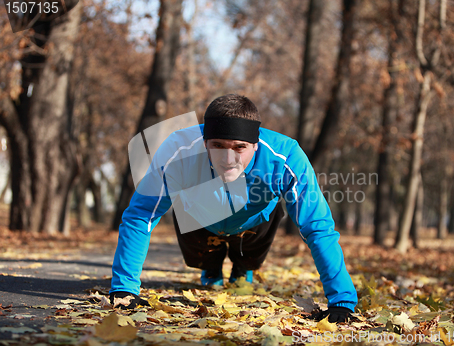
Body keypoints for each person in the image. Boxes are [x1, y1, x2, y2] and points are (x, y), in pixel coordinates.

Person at [110, 94, 357, 322]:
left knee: (244, 270)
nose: (228, 160)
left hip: (254, 225)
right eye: (217, 146)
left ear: (255, 145)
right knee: (210, 281)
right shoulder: (177, 150)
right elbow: (141, 214)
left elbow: (317, 226)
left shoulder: (286, 157)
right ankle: (211, 267)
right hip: (199, 221)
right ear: (204, 142)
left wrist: (342, 301)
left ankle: (243, 266)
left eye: (239, 147)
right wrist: (124, 289)